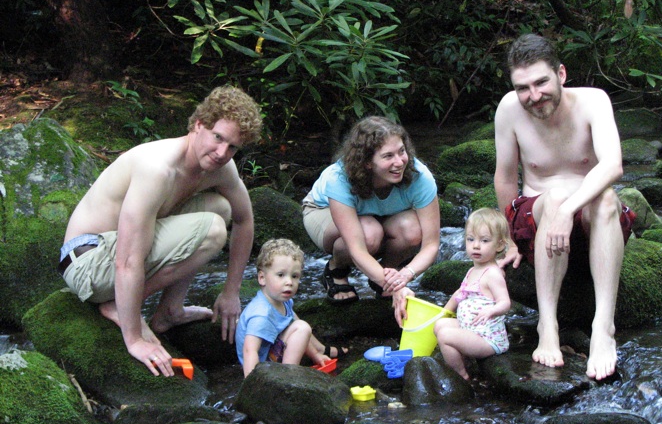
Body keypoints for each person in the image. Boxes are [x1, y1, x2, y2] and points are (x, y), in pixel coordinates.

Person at [59, 85, 262, 377]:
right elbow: (127, 261)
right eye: (218, 138)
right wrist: (134, 338)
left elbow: (244, 219)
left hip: (116, 254)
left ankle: (170, 310)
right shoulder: (158, 169)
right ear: (199, 124)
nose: (222, 153)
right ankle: (116, 305)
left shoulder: (220, 168)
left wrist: (231, 293)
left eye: (232, 147)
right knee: (213, 229)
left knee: (222, 208)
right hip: (87, 261)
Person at [493, 34, 635, 381]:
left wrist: (567, 210)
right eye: (522, 87)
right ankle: (548, 325)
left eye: (541, 82)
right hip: (536, 219)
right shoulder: (509, 110)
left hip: (589, 220)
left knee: (605, 199)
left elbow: (612, 166)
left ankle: (603, 327)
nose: (533, 95)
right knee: (553, 198)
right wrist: (506, 240)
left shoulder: (594, 102)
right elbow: (505, 179)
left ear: (561, 74)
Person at [302, 116, 440, 326]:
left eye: (401, 151)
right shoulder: (339, 179)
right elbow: (357, 248)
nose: (399, 162)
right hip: (323, 211)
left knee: (412, 230)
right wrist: (399, 290)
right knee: (368, 233)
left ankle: (384, 276)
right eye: (388, 156)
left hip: (379, 215)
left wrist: (402, 277)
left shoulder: (420, 176)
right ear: (367, 162)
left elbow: (431, 244)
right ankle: (336, 270)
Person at [235, 239, 341, 377]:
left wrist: (316, 355)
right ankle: (288, 376)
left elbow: (296, 330)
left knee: (300, 327)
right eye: (281, 275)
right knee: (302, 327)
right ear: (262, 278)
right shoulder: (261, 315)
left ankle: (287, 373)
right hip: (260, 367)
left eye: (295, 276)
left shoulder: (283, 301)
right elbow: (250, 351)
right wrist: (252, 385)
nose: (289, 282)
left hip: (270, 355)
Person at [433, 208, 512, 380]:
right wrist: (441, 313)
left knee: (445, 335)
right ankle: (464, 360)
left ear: (499, 245)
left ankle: (461, 376)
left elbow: (505, 302)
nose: (476, 245)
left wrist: (491, 311)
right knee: (440, 325)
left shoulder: (492, 274)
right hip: (471, 328)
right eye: (471, 239)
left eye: (484, 240)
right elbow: (460, 293)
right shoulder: (472, 270)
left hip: (487, 339)